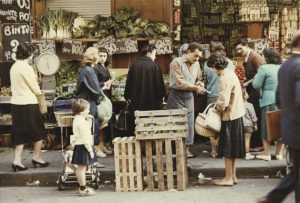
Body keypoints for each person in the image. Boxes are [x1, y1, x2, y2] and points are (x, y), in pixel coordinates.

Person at [257, 31, 300, 203]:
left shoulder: (285, 66)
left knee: (297, 172)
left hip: (290, 127)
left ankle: (274, 197)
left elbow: (278, 98)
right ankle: (274, 197)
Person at [207, 52, 245, 186]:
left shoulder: (224, 78)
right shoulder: (231, 73)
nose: (211, 70)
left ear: (215, 66)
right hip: (237, 114)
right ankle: (233, 176)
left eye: (211, 68)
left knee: (228, 150)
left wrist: (215, 108)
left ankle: (228, 178)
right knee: (233, 149)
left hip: (230, 116)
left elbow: (223, 101)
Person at [10, 42, 49, 171]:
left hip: (16, 103)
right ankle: (37, 157)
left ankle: (17, 161)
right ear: (29, 54)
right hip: (28, 103)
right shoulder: (26, 67)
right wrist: (41, 95)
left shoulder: (14, 67)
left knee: (19, 133)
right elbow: (34, 86)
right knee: (39, 131)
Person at [167, 42, 206, 158]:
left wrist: (200, 83)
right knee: (176, 123)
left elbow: (198, 78)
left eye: (199, 56)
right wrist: (196, 87)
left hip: (189, 96)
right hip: (176, 95)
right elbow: (179, 83)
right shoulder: (176, 62)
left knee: (189, 123)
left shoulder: (197, 64)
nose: (197, 58)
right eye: (196, 55)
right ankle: (176, 151)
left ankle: (186, 149)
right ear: (188, 52)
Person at [204, 41, 237, 158]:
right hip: (227, 97)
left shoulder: (207, 64)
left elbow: (206, 80)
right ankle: (223, 149)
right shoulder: (229, 63)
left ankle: (213, 150)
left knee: (212, 124)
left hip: (211, 94)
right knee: (224, 124)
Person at [124, 44, 166, 136]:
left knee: (137, 125)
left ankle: (138, 146)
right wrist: (162, 96)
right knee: (151, 126)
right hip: (152, 103)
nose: (155, 57)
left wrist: (127, 97)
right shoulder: (155, 66)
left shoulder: (134, 65)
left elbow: (128, 84)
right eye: (155, 54)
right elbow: (159, 85)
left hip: (136, 103)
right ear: (149, 52)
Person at [233, 38, 265, 152]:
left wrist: (247, 82)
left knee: (255, 115)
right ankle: (252, 143)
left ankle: (258, 144)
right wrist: (245, 80)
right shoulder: (247, 57)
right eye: (237, 50)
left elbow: (261, 73)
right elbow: (252, 74)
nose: (239, 52)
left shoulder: (255, 56)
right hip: (251, 89)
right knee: (252, 116)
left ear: (246, 45)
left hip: (256, 90)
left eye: (240, 48)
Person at [253, 48, 284, 161]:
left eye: (263, 56)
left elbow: (256, 85)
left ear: (267, 57)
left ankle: (266, 154)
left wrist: (256, 77)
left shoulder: (264, 68)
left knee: (267, 128)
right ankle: (279, 153)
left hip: (268, 100)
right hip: (282, 101)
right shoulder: (282, 67)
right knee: (281, 127)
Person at [76, 47, 101, 145]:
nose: (99, 57)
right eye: (98, 54)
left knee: (89, 129)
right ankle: (90, 155)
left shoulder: (87, 70)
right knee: (90, 129)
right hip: (88, 103)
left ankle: (90, 154)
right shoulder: (88, 71)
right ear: (94, 57)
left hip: (86, 102)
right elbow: (95, 90)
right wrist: (98, 100)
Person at [71, 99, 96, 196]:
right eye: (87, 109)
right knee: (82, 168)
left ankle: (82, 186)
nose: (89, 111)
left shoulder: (78, 119)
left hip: (79, 145)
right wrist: (90, 151)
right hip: (84, 146)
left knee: (80, 168)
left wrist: (88, 120)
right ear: (81, 111)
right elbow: (85, 137)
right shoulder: (81, 122)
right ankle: (83, 188)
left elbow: (84, 131)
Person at [93, 47, 113, 158]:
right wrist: (105, 84)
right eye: (100, 56)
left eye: (105, 56)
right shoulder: (96, 68)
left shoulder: (104, 67)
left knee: (105, 123)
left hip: (106, 96)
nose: (103, 58)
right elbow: (95, 83)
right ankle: (98, 147)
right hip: (101, 97)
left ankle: (103, 144)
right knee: (101, 122)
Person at [242, 89, 257, 160]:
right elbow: (253, 116)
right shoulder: (249, 105)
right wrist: (255, 124)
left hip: (239, 125)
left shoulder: (237, 105)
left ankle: (240, 153)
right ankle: (247, 154)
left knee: (240, 140)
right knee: (247, 140)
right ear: (245, 95)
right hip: (248, 125)